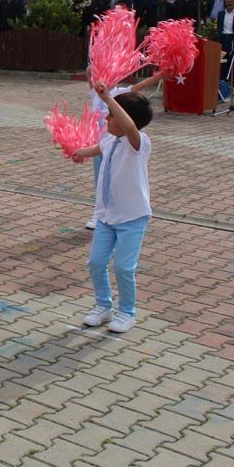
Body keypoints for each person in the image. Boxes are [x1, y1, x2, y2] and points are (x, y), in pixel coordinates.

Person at [71, 84, 154, 333]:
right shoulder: (109, 138)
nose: (106, 118)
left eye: (110, 114)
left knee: (123, 267)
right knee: (96, 262)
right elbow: (100, 149)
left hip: (132, 217)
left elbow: (128, 126)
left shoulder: (138, 143)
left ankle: (127, 313)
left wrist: (108, 97)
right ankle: (103, 307)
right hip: (107, 216)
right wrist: (80, 153)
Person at [84, 69, 163, 229]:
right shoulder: (96, 94)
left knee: (116, 180)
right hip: (100, 145)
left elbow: (137, 87)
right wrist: (91, 71)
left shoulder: (119, 94)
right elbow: (90, 76)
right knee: (100, 180)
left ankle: (118, 215)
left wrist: (157, 78)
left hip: (118, 144)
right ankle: (98, 214)